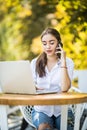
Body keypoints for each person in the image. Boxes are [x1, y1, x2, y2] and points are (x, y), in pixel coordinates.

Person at [31, 28, 74, 130]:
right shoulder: (34, 63)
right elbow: (30, 85)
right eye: (44, 43)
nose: (48, 47)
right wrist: (33, 87)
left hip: (62, 109)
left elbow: (64, 88)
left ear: (58, 43)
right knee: (44, 128)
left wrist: (63, 61)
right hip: (42, 109)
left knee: (67, 128)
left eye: (51, 43)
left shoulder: (68, 62)